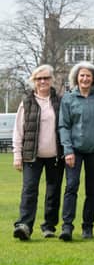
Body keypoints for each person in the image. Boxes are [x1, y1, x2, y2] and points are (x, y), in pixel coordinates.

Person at [58, 62, 94, 241]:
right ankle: (67, 226)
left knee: (91, 189)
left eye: (88, 75)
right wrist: (68, 150)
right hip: (74, 150)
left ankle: (88, 226)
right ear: (76, 78)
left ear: (93, 78)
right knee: (71, 186)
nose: (85, 78)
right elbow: (64, 126)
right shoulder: (68, 98)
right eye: (82, 75)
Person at [12, 65, 64, 240]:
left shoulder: (59, 101)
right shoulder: (26, 102)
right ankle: (24, 225)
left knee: (53, 192)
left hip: (55, 156)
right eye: (39, 78)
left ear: (52, 80)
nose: (43, 81)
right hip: (32, 156)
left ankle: (49, 226)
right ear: (34, 81)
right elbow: (18, 131)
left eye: (46, 78)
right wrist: (17, 155)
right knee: (29, 190)